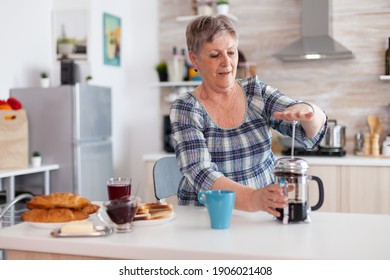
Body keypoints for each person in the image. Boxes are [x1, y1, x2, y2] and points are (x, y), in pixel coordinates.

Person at [169, 15, 327, 217]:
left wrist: (310, 112)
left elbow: (306, 125)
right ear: (194, 59)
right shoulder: (186, 108)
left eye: (231, 52)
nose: (226, 63)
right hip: (206, 216)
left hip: (262, 214)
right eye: (215, 55)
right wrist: (253, 198)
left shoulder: (256, 92)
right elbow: (201, 173)